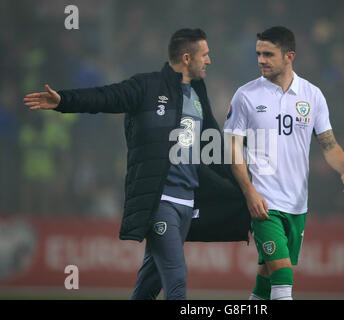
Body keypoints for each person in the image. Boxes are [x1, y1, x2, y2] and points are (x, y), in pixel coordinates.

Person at [23, 28, 250, 300]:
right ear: (187, 58)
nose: (209, 60)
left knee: (148, 287)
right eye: (205, 55)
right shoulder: (147, 87)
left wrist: (246, 189)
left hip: (186, 205)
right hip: (160, 202)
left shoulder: (199, 97)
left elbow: (214, 152)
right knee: (176, 277)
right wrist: (64, 101)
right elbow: (106, 97)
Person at [224, 26, 344, 300]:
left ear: (289, 56)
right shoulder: (246, 95)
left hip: (297, 205)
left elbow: (329, 144)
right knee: (283, 279)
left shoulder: (312, 96)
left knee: (265, 281)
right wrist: (250, 192)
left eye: (268, 54)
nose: (261, 60)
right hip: (264, 204)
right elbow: (232, 150)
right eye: (259, 53)